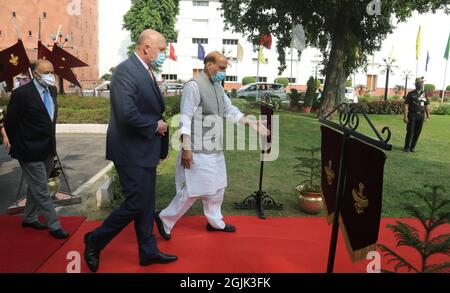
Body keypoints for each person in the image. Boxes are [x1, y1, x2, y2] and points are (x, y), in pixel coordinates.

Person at [83, 29, 177, 273]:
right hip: (130, 149)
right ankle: (95, 239)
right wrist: (155, 125)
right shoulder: (126, 70)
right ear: (146, 47)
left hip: (144, 149)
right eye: (162, 49)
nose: (164, 54)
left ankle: (148, 251)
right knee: (136, 202)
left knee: (146, 203)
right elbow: (126, 113)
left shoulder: (145, 70)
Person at [154, 51, 269, 241]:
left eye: (225, 68)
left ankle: (215, 222)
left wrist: (251, 122)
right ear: (209, 65)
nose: (224, 71)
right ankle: (164, 218)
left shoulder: (217, 85)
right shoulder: (193, 86)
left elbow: (229, 109)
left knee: (218, 188)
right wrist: (187, 149)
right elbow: (186, 119)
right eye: (222, 68)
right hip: (198, 148)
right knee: (194, 190)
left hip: (215, 147)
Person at [4, 59, 69, 239]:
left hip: (48, 148)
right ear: (36, 74)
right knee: (41, 188)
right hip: (28, 149)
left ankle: (30, 218)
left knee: (35, 187)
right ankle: (54, 225)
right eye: (46, 72)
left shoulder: (53, 90)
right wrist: (17, 142)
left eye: (52, 71)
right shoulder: (22, 93)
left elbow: (49, 120)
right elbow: (11, 122)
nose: (50, 76)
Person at [403, 77, 430, 153]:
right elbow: (406, 105)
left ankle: (412, 147)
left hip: (421, 115)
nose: (421, 84)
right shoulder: (411, 94)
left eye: (422, 83)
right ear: (416, 84)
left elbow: (426, 105)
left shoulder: (425, 94)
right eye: (420, 83)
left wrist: (428, 116)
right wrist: (405, 116)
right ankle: (406, 147)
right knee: (410, 131)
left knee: (417, 132)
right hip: (412, 115)